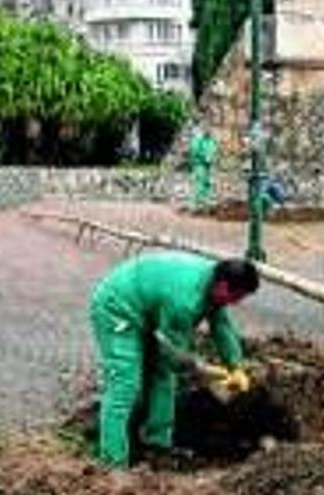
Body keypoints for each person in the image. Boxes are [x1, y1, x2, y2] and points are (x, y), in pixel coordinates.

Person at [89, 251, 259, 468]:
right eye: (238, 297)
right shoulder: (185, 302)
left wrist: (236, 367)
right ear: (223, 286)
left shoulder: (214, 281)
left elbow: (222, 325)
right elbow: (173, 354)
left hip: (148, 306)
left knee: (162, 374)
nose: (237, 303)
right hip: (118, 308)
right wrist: (207, 370)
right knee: (124, 384)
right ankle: (112, 463)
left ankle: (157, 444)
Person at [187, 123, 219, 208]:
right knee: (199, 182)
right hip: (199, 164)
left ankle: (206, 202)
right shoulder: (198, 140)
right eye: (207, 129)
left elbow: (215, 151)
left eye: (210, 129)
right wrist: (204, 157)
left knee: (208, 183)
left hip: (209, 165)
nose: (209, 131)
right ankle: (196, 203)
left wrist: (213, 158)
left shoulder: (212, 141)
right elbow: (193, 152)